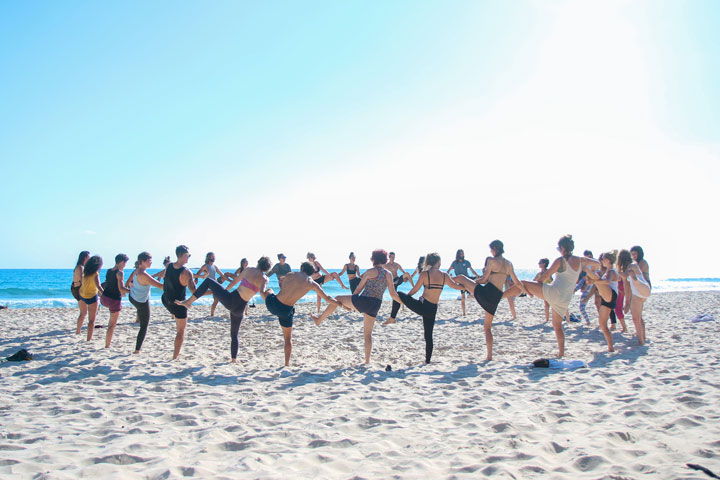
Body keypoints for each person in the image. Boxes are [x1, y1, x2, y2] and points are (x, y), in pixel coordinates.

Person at [503, 235, 600, 357]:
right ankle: (561, 353)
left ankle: (498, 297)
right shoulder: (582, 260)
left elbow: (544, 277)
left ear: (562, 248)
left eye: (559, 248)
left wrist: (532, 288)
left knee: (522, 284)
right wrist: (587, 269)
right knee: (557, 326)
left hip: (554, 292)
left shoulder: (560, 261)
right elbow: (598, 264)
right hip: (565, 299)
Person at [312, 249, 403, 365]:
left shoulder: (370, 272)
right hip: (376, 305)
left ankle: (319, 320)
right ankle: (367, 361)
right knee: (368, 335)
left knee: (339, 298)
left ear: (374, 259)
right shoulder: (388, 274)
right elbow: (393, 294)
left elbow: (358, 290)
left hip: (364, 301)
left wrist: (350, 304)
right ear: (384, 260)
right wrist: (403, 302)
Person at [178, 257, 272, 362]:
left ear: (258, 263)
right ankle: (233, 360)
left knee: (208, 281)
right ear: (268, 268)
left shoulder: (249, 269)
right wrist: (270, 294)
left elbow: (235, 282)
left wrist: (223, 292)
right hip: (240, 308)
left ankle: (189, 302)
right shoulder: (265, 279)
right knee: (234, 334)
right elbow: (262, 293)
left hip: (232, 300)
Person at [454, 240, 528, 361]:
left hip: (487, 292)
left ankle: (444, 281)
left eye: (491, 249)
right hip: (496, 298)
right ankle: (489, 356)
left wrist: (475, 281)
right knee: (487, 328)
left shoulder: (491, 261)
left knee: (462, 278)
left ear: (495, 248)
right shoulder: (509, 264)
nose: (491, 252)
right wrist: (527, 292)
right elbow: (517, 282)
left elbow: (483, 280)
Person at [260, 261, 339, 366]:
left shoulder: (291, 274)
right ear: (311, 273)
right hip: (286, 311)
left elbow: (282, 284)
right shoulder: (312, 284)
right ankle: (287, 364)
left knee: (268, 290)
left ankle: (262, 284)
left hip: (274, 304)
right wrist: (340, 304)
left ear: (302, 268)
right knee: (288, 339)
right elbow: (327, 298)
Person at [392, 253, 464, 363]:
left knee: (399, 293)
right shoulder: (444, 275)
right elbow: (454, 286)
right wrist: (464, 287)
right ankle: (427, 361)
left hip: (421, 306)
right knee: (428, 335)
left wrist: (406, 300)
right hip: (432, 309)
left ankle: (393, 317)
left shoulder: (425, 274)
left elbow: (415, 290)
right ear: (438, 262)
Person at [161, 245, 197, 360]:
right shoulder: (186, 272)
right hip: (178, 305)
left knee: (178, 323)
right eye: (188, 255)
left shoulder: (168, 266)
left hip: (165, 300)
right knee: (181, 331)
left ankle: (173, 314)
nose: (189, 257)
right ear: (182, 255)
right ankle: (175, 357)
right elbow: (194, 291)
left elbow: (166, 281)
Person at [128, 252, 164, 354]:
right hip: (140, 302)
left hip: (132, 297)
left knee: (144, 306)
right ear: (143, 261)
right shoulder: (143, 274)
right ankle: (137, 350)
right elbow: (160, 286)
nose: (151, 262)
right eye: (149, 260)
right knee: (144, 326)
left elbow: (131, 281)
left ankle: (137, 349)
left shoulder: (137, 270)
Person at [585, 251, 620, 352]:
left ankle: (585, 268)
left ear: (608, 260)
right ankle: (611, 347)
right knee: (602, 324)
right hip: (606, 299)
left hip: (611, 295)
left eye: (603, 259)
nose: (602, 261)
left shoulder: (611, 271)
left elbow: (607, 281)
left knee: (597, 279)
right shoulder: (608, 271)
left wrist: (594, 281)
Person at [618, 249, 650, 346]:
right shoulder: (632, 266)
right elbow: (627, 289)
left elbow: (625, 277)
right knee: (638, 317)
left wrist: (617, 271)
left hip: (640, 290)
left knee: (636, 319)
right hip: (642, 291)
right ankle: (642, 337)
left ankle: (641, 341)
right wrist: (627, 302)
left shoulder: (632, 266)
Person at [100, 253, 131, 348]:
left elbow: (108, 283)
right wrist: (133, 291)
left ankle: (107, 343)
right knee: (112, 324)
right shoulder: (120, 272)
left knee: (111, 322)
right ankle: (107, 345)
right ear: (121, 262)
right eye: (125, 263)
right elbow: (121, 288)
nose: (125, 265)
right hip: (114, 300)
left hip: (104, 298)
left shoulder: (109, 271)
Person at [447, 249, 480, 317]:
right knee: (463, 297)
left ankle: (474, 295)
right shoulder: (454, 263)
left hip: (467, 279)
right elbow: (448, 270)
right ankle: (464, 312)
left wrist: (477, 275)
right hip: (460, 281)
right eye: (460, 253)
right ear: (458, 254)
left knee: (477, 285)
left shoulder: (467, 262)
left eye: (462, 253)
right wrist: (447, 277)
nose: (462, 255)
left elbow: (472, 270)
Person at [78, 255, 104, 340]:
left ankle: (78, 331)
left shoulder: (84, 272)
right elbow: (98, 286)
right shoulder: (95, 274)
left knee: (82, 314)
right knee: (92, 320)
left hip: (82, 295)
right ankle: (89, 338)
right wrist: (105, 294)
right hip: (92, 296)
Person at [194, 252, 226, 317]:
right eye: (212, 256)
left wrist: (229, 280)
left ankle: (212, 314)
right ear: (208, 257)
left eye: (214, 256)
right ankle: (212, 314)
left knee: (216, 300)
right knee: (216, 299)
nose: (213, 257)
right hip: (210, 285)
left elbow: (222, 274)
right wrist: (196, 280)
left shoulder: (215, 266)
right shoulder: (205, 266)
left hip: (216, 283)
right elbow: (198, 273)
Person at [386, 251, 413, 324]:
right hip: (391, 282)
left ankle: (414, 287)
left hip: (397, 280)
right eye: (392, 257)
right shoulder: (386, 266)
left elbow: (403, 272)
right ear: (389, 257)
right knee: (395, 297)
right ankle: (401, 305)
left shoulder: (397, 265)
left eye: (394, 257)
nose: (393, 258)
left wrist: (405, 278)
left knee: (407, 274)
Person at [71, 251, 90, 333]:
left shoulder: (80, 267)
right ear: (85, 258)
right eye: (88, 257)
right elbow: (82, 282)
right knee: (83, 312)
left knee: (84, 311)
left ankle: (79, 329)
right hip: (79, 290)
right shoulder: (80, 267)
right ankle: (78, 330)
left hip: (76, 288)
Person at [533, 258, 553, 323]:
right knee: (546, 304)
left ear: (544, 264)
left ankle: (548, 319)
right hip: (543, 291)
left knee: (550, 304)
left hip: (549, 290)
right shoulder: (539, 274)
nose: (538, 264)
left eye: (540, 263)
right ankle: (547, 319)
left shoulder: (548, 272)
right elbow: (533, 281)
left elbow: (552, 281)